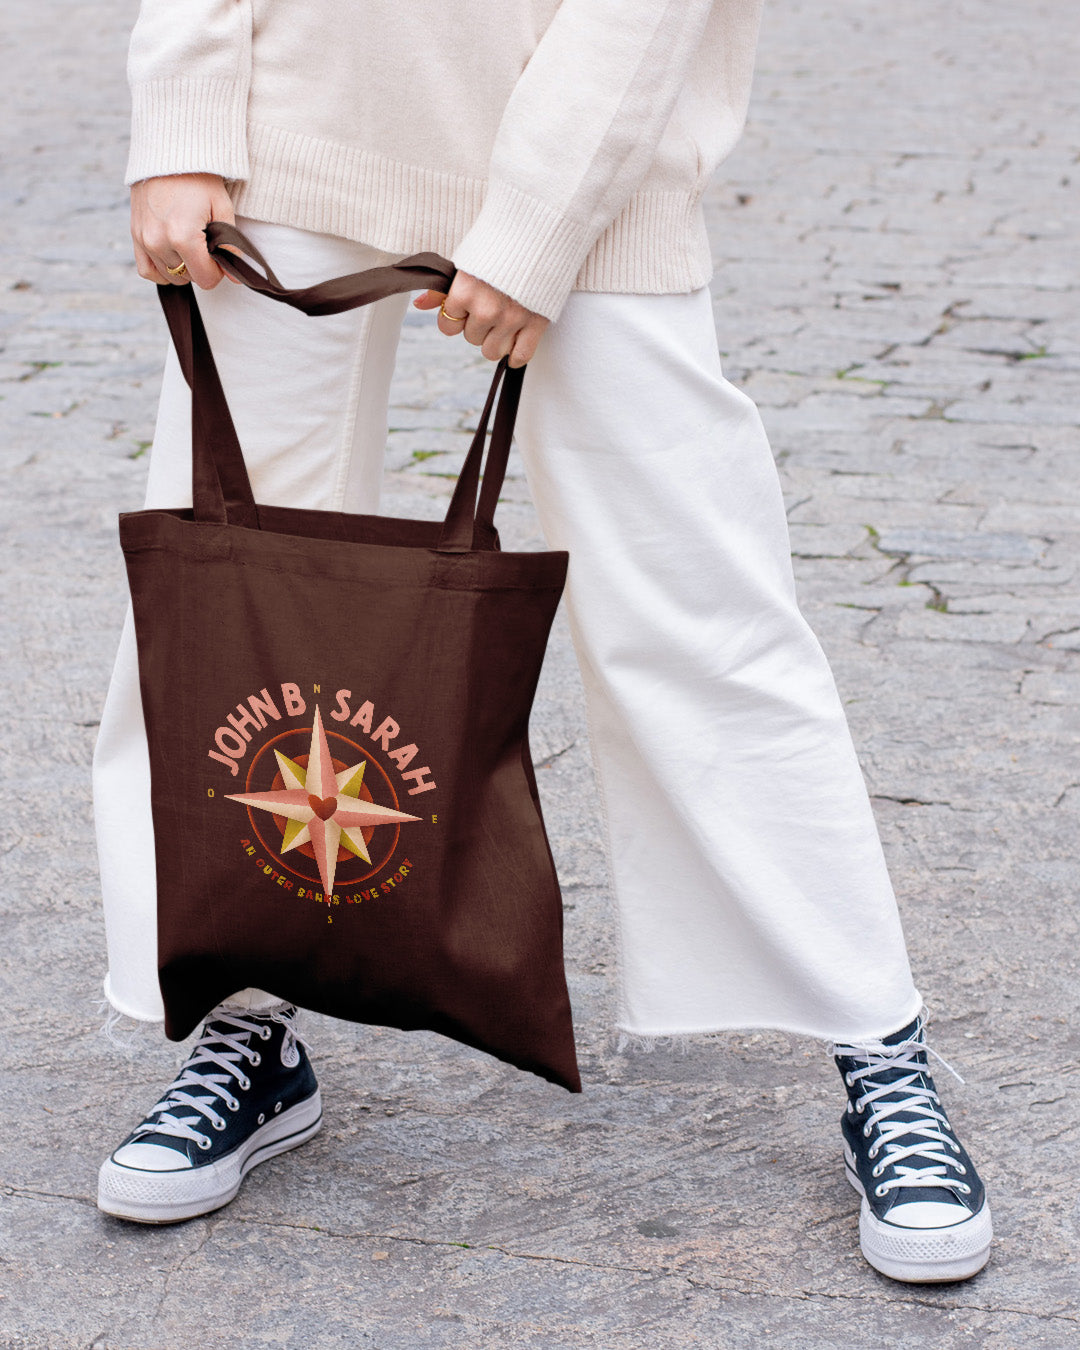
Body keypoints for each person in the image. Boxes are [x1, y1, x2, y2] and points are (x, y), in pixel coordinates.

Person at [93, 0, 992, 1283]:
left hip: (592, 152)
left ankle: (877, 1041)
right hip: (284, 122)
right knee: (219, 606)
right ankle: (240, 1022)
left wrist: (538, 216)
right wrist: (180, 114)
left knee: (699, 611)